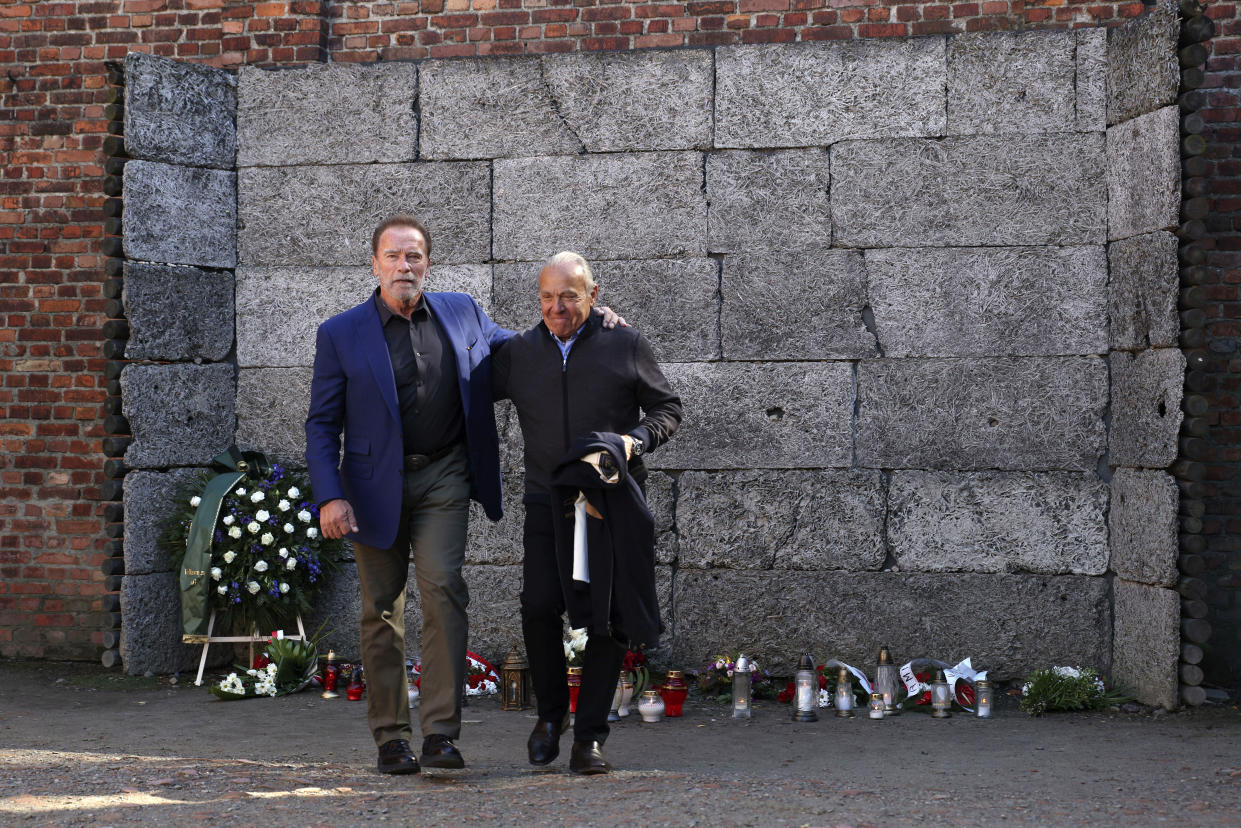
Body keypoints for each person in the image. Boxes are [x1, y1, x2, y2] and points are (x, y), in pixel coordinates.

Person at [305, 217, 623, 775]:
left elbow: (533, 348)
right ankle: (391, 739)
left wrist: (594, 320)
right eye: (394, 256)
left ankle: (440, 736)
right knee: (382, 611)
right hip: (371, 487)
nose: (405, 266)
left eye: (415, 257)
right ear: (375, 263)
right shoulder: (341, 333)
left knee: (444, 590)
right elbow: (321, 424)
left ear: (428, 263)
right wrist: (330, 496)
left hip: (444, 477)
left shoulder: (462, 312)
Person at [493, 251, 682, 775]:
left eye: (570, 297)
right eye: (547, 297)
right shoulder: (519, 353)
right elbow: (463, 379)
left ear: (593, 296)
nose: (557, 308)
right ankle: (550, 718)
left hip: (609, 501)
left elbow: (668, 408)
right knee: (538, 605)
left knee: (609, 619)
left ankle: (590, 738)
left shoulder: (626, 343)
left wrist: (633, 440)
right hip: (546, 500)